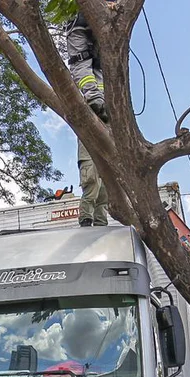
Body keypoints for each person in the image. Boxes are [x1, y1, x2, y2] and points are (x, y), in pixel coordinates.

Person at [67, 11, 109, 227]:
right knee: (91, 178)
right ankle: (86, 217)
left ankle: (100, 219)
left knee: (104, 181)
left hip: (105, 124)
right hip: (90, 128)